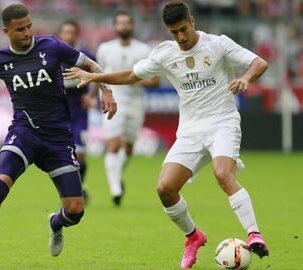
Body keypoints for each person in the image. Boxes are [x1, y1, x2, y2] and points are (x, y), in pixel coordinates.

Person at [64, 1, 269, 268]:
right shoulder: (165, 53)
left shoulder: (218, 44)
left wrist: (246, 79)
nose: (181, 37)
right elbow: (131, 75)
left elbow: (259, 62)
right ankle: (193, 236)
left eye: (184, 29)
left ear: (192, 21)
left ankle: (254, 233)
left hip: (222, 122)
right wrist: (95, 78)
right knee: (165, 189)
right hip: (190, 130)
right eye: (174, 32)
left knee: (222, 174)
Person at [0, 4, 116, 268]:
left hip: (57, 140)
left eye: (29, 26)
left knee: (75, 210)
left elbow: (90, 64)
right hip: (23, 134)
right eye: (20, 29)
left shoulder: (53, 47)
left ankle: (56, 222)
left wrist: (106, 90)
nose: (27, 32)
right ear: (6, 31)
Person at [95, 11, 160, 206]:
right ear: (115, 26)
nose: (123, 26)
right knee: (114, 143)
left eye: (126, 23)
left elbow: (155, 81)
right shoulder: (105, 49)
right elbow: (97, 75)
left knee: (129, 147)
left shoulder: (143, 49)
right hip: (112, 100)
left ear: (132, 26)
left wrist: (134, 81)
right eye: (120, 23)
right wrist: (92, 97)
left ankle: (116, 177)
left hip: (135, 103)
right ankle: (115, 189)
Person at [58, 20, 96, 205]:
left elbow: (99, 75)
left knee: (80, 156)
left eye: (72, 32)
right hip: (59, 115)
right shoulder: (53, 58)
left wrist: (93, 96)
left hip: (80, 115)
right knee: (65, 156)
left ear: (77, 34)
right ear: (60, 34)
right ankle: (71, 192)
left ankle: (79, 187)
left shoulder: (85, 57)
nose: (69, 36)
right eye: (65, 32)